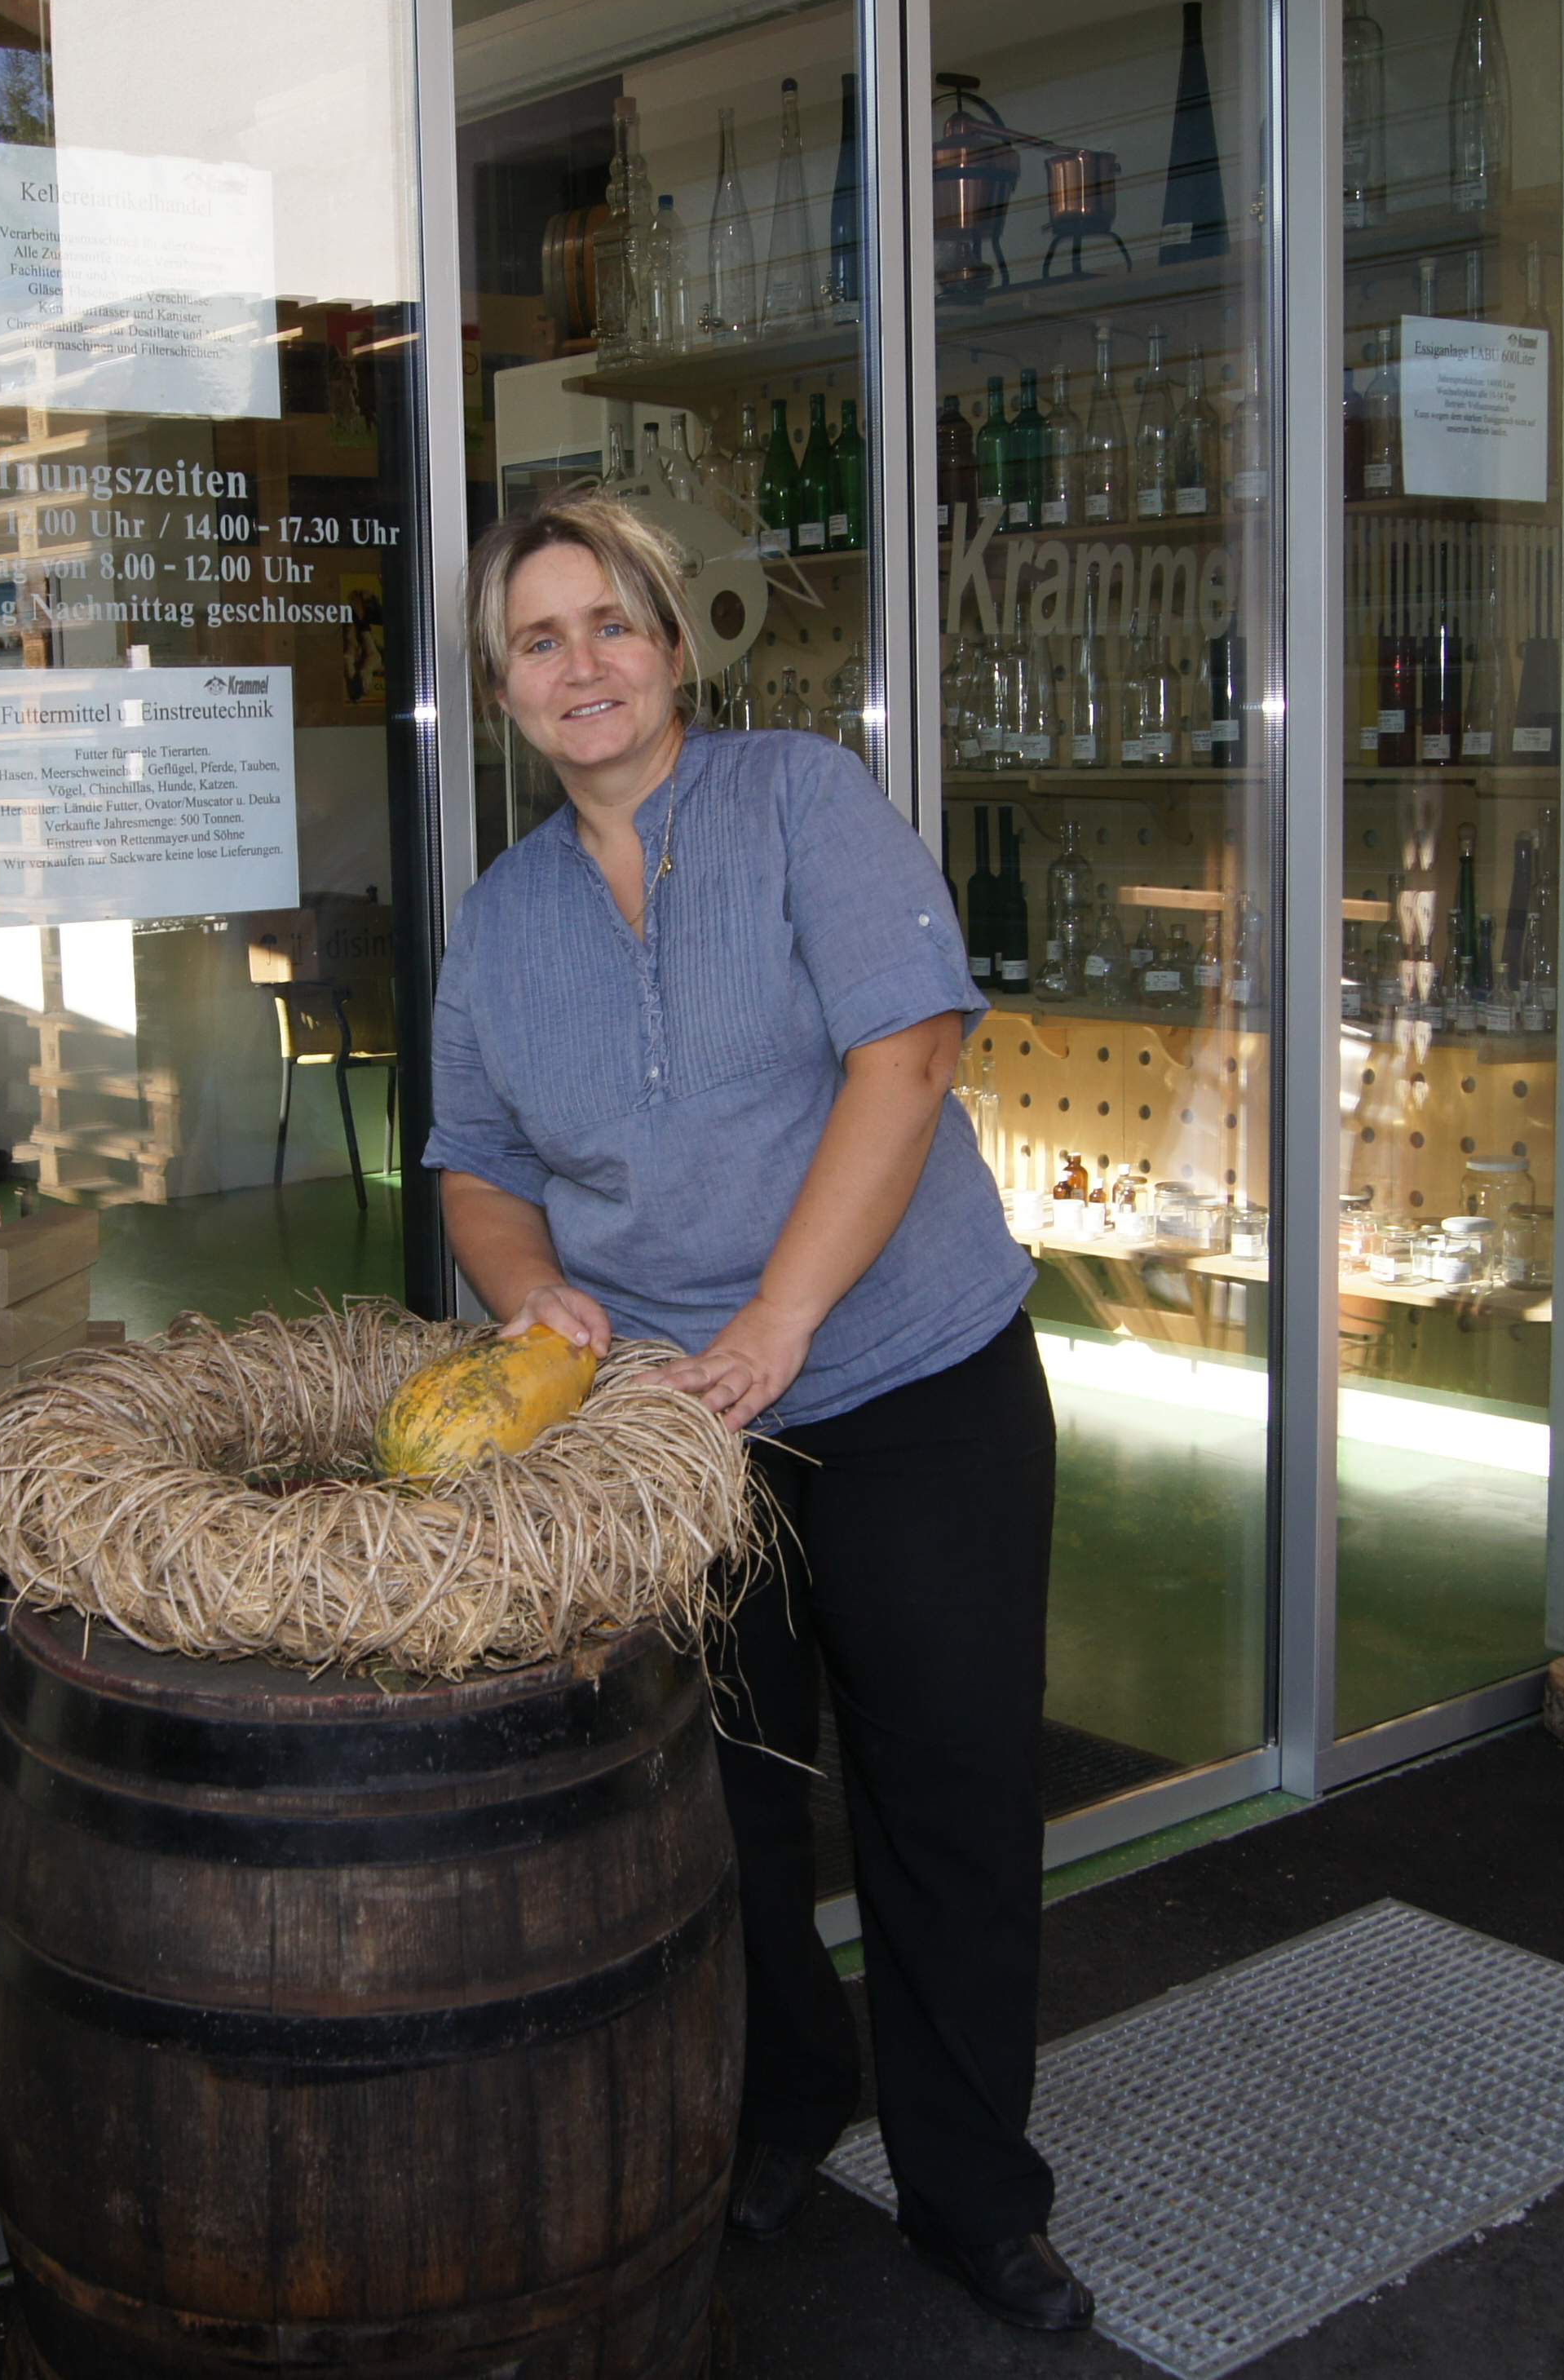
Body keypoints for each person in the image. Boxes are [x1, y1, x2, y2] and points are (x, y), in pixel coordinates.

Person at [423, 491, 1085, 2334]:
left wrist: (785, 1315)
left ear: (671, 644)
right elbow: (475, 1163)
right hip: (675, 1433)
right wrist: (528, 1291)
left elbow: (910, 1048)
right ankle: (786, 2101)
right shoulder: (501, 920)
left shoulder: (801, 797)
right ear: (503, 687)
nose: (581, 664)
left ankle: (973, 2191)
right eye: (539, 638)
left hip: (913, 1381)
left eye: (610, 623)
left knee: (946, 1800)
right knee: (724, 1812)